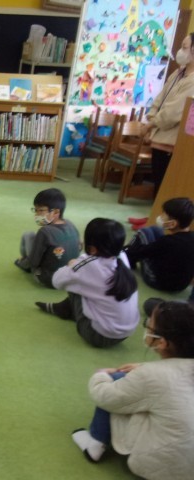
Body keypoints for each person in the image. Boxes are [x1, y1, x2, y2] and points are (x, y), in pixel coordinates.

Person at [71, 301, 194, 479]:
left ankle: (95, 443)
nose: (147, 327)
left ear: (162, 342)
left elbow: (105, 396)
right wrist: (143, 368)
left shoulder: (151, 375)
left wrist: (102, 375)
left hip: (160, 465)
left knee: (117, 380)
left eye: (149, 325)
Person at [36, 218, 139, 348]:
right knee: (87, 285)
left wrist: (72, 264)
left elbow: (56, 281)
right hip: (125, 333)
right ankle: (65, 308)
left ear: (93, 248)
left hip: (98, 335)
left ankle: (65, 310)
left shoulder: (88, 265)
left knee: (75, 282)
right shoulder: (122, 257)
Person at [143, 33, 194, 198]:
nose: (180, 51)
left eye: (184, 48)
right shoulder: (178, 73)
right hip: (159, 136)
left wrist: (151, 125)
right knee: (158, 181)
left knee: (165, 186)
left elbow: (174, 111)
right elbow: (160, 98)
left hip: (171, 141)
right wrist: (151, 118)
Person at [14, 188, 81, 287]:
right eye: (35, 210)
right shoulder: (70, 224)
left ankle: (23, 263)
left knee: (28, 235)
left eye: (41, 210)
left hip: (47, 278)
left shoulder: (44, 232)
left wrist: (24, 263)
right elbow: (79, 247)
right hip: (70, 277)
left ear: (56, 212)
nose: (37, 214)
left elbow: (33, 262)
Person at [124, 197, 194, 292]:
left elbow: (143, 252)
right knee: (156, 229)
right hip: (181, 285)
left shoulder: (168, 241)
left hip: (158, 281)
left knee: (143, 232)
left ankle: (126, 258)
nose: (160, 217)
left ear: (172, 224)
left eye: (164, 215)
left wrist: (129, 250)